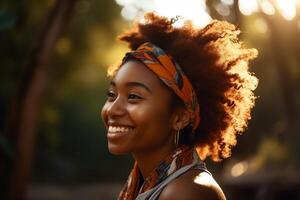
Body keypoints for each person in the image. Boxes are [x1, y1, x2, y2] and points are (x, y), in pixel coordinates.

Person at [101, 12, 258, 200]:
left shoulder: (185, 192)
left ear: (180, 117)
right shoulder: (144, 184)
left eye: (134, 96)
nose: (112, 109)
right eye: (112, 95)